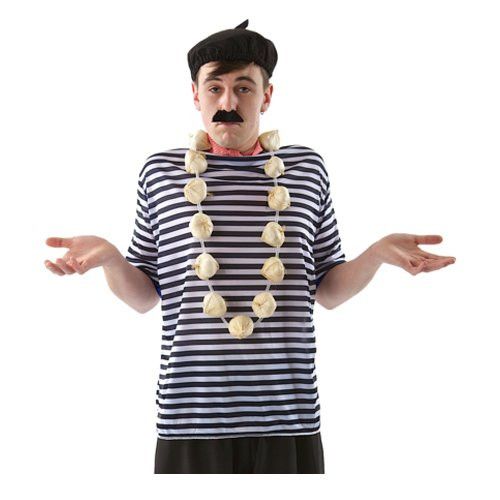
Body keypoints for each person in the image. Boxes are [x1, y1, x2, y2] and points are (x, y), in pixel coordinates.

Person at [44, 20, 456, 474]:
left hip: (289, 416)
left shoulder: (306, 169)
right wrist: (109, 258)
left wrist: (376, 253)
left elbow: (328, 291)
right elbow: (144, 297)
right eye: (214, 88)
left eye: (243, 88)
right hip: (190, 417)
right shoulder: (160, 172)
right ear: (195, 96)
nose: (228, 103)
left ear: (266, 96)